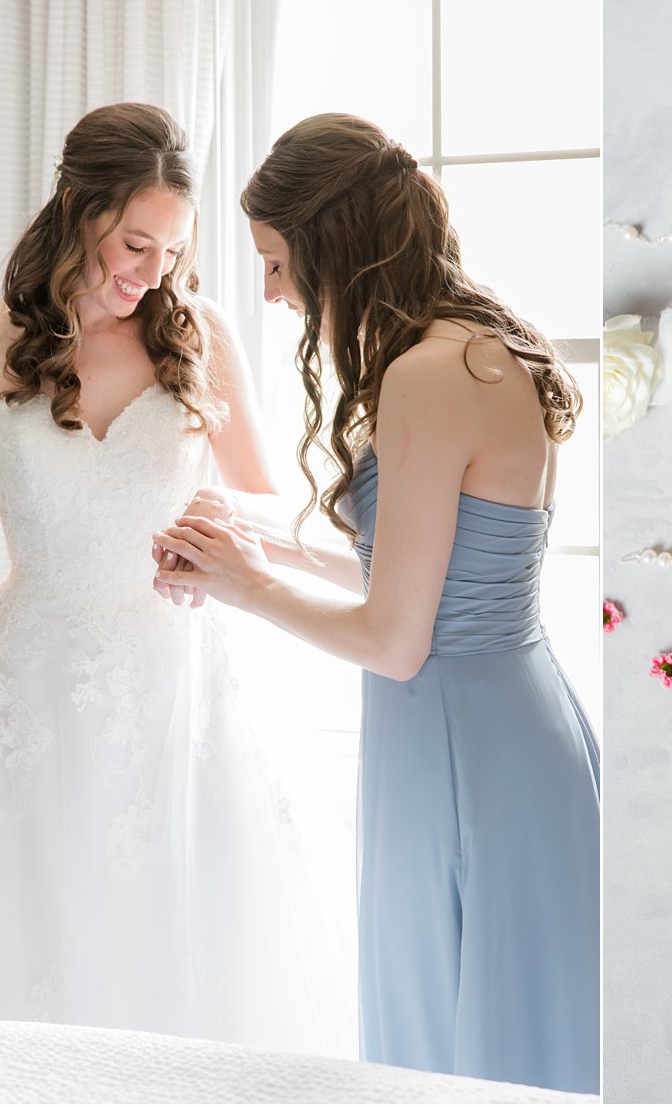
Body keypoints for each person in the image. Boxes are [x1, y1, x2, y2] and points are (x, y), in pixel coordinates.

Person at [0, 103, 353, 1057]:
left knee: (182, 947)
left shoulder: (200, 334)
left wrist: (213, 541)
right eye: (136, 242)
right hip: (28, 695)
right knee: (29, 942)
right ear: (79, 207)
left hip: (180, 685)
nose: (152, 273)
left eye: (172, 252)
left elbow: (258, 500)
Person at [153, 113, 600, 1094]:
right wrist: (272, 546)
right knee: (477, 1036)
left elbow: (396, 641)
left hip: (459, 738)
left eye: (275, 263)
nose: (269, 293)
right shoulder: (472, 347)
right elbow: (426, 583)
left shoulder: (424, 374)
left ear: (332, 248)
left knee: (467, 1053)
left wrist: (244, 586)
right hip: (486, 720)